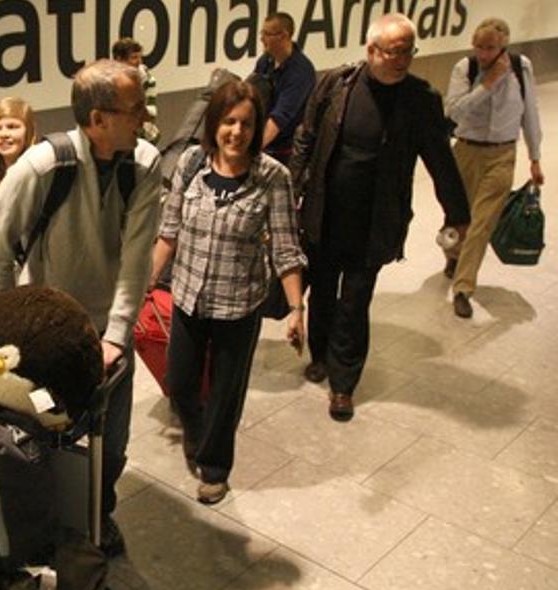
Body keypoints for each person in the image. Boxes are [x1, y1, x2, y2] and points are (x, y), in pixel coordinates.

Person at [0, 59, 162, 557]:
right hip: (40, 333)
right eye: (134, 108)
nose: (144, 116)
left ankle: (98, 513)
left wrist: (116, 337)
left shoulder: (144, 163)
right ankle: (42, 525)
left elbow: (137, 257)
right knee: (38, 435)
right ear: (98, 119)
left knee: (113, 443)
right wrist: (3, 332)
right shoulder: (43, 165)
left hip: (107, 330)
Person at [289, 13, 469, 421]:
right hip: (324, 215)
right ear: (371, 50)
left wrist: (457, 213)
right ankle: (319, 354)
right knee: (321, 292)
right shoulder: (337, 84)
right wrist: (293, 191)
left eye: (408, 50)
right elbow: (307, 137)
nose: (403, 59)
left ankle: (343, 383)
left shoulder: (421, 100)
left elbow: (440, 159)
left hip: (375, 224)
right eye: (394, 51)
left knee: (355, 302)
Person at [148, 81, 306, 505]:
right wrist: (144, 281)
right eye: (228, 121)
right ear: (214, 123)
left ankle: (215, 467)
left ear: (258, 129)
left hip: (239, 304)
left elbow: (288, 248)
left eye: (247, 124)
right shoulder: (191, 164)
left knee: (224, 392)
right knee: (180, 382)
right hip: (189, 295)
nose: (236, 132)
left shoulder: (273, 177)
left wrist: (296, 308)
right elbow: (169, 232)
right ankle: (196, 435)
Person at [445, 17, 544, 318]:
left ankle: (463, 287)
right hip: (467, 150)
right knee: (459, 216)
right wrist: (487, 85)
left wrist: (535, 157)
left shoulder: (520, 67)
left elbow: (530, 114)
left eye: (490, 48)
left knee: (482, 223)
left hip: (502, 154)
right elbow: (453, 111)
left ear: (503, 47)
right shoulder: (466, 68)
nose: (483, 54)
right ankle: (452, 255)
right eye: (479, 47)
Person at [251, 12, 316, 164]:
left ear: (284, 36)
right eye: (262, 33)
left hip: (284, 153)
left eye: (267, 34)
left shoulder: (301, 72)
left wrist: (252, 150)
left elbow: (280, 118)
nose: (261, 38)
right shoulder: (265, 61)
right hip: (265, 144)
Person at [111, 37, 160, 144]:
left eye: (140, 57)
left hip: (143, 136)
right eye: (134, 57)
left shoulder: (147, 80)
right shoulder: (106, 81)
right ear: (119, 59)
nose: (139, 62)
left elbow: (151, 114)